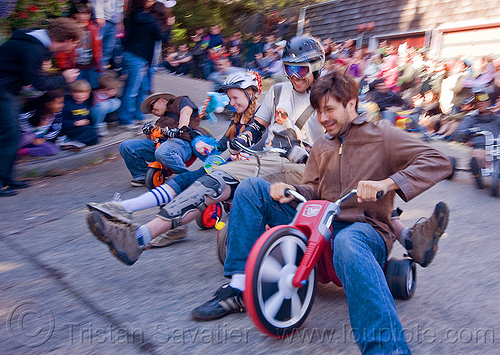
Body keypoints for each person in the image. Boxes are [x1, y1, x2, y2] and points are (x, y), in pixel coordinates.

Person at [191, 71, 451, 354]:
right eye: (318, 111)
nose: (323, 117)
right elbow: (314, 190)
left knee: (347, 241)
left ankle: (387, 349)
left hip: (364, 231)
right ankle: (240, 286)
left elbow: (437, 161)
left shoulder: (382, 135)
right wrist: (289, 191)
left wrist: (386, 184)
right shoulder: (323, 144)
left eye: (329, 109)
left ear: (351, 103)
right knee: (253, 188)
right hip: (318, 226)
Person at [87, 35, 327, 263]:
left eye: (301, 69)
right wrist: (242, 139)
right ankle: (139, 237)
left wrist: (310, 153)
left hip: (302, 170)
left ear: (317, 66)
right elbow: (257, 126)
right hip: (267, 160)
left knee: (208, 180)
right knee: (211, 183)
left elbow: (338, 142)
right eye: (288, 68)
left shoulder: (327, 97)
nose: (294, 75)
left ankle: (136, 224)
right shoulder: (277, 91)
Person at [88, 70, 262, 245]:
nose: (231, 103)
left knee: (194, 183)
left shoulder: (262, 117)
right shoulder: (238, 119)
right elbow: (222, 144)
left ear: (251, 93)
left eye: (235, 98)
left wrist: (245, 153)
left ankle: (163, 228)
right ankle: (125, 208)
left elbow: (269, 150)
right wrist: (207, 145)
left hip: (246, 172)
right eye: (229, 99)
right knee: (183, 179)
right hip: (229, 168)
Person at [0, 17, 81, 196]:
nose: (73, 48)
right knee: (8, 135)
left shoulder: (37, 40)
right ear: (67, 40)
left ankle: (7, 178)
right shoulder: (33, 48)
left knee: (11, 135)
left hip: (8, 90)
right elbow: (37, 83)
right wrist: (64, 78)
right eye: (74, 43)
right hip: (3, 90)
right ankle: (1, 181)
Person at [118, 92, 201, 186]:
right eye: (150, 110)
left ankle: (186, 177)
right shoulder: (159, 121)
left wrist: (180, 128)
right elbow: (152, 140)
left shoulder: (180, 101)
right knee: (126, 146)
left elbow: (185, 112)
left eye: (152, 106)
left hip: (182, 142)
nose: (152, 110)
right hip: (162, 144)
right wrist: (149, 131)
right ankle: (143, 175)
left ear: (162, 100)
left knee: (162, 151)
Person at [118, 0, 171, 127]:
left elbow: (125, 37)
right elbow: (162, 38)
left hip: (131, 54)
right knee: (134, 89)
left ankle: (137, 115)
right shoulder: (150, 20)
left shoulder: (132, 16)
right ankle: (126, 119)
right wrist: (169, 25)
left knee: (139, 88)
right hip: (139, 58)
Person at [451, 87, 500, 189]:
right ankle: (477, 174)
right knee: (477, 154)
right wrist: (467, 134)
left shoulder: (497, 118)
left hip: (498, 149)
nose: (480, 102)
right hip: (482, 150)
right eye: (477, 99)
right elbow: (457, 134)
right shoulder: (471, 118)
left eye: (483, 99)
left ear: (490, 101)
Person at [17, 89, 65, 157]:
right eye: (59, 103)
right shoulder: (32, 112)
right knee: (27, 137)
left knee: (53, 149)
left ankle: (23, 151)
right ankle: (11, 149)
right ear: (48, 104)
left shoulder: (57, 115)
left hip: (38, 141)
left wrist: (44, 139)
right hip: (24, 137)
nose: (62, 105)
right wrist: (34, 132)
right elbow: (21, 123)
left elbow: (56, 130)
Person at [62, 80, 99, 146]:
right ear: (71, 93)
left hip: (81, 128)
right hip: (70, 128)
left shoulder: (85, 104)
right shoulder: (67, 105)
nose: (80, 95)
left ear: (88, 95)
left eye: (84, 93)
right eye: (77, 92)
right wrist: (74, 123)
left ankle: (76, 142)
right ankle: (69, 141)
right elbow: (61, 122)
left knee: (93, 135)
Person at [90, 0, 124, 70]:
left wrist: (120, 20)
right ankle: (94, 75)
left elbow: (120, 5)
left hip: (114, 22)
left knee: (108, 50)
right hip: (102, 20)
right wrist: (99, 16)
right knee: (97, 50)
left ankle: (102, 74)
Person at [90, 71, 122, 136]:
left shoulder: (109, 96)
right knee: (104, 105)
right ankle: (97, 126)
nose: (115, 92)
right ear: (103, 90)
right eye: (113, 90)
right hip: (93, 112)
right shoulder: (94, 95)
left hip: (103, 111)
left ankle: (106, 121)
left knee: (117, 101)